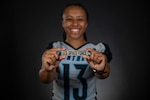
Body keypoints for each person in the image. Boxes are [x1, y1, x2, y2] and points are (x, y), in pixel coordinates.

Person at [39, 2, 112, 100]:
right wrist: (48, 69)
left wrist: (99, 69)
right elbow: (45, 79)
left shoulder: (97, 49)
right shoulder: (54, 48)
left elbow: (105, 73)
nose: (75, 24)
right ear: (63, 23)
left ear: (86, 23)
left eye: (80, 19)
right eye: (69, 19)